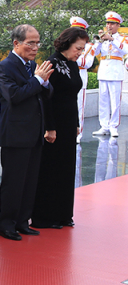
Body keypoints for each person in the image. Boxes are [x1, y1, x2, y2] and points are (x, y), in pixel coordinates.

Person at [0, 24, 53, 241]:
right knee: (13, 182)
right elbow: (15, 96)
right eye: (31, 43)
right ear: (16, 43)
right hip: (15, 134)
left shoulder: (33, 66)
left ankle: (22, 221)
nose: (35, 47)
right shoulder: (5, 67)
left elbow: (46, 94)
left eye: (38, 43)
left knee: (30, 181)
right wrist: (38, 80)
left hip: (34, 133)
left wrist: (44, 82)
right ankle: (6, 224)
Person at [31, 27, 86, 229]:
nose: (80, 52)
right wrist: (49, 127)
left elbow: (72, 96)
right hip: (54, 123)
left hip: (69, 122)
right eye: (78, 48)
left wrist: (77, 122)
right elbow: (45, 98)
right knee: (51, 169)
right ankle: (46, 216)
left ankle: (63, 214)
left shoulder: (72, 65)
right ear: (67, 44)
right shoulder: (51, 63)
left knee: (66, 167)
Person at [91, 11, 125, 137]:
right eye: (108, 23)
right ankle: (104, 126)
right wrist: (99, 42)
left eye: (112, 24)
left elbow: (125, 50)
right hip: (103, 72)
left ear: (118, 25)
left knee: (115, 101)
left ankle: (114, 126)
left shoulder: (122, 38)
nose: (109, 26)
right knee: (103, 100)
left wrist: (112, 40)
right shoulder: (103, 38)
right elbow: (94, 54)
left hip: (115, 73)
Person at [71, 17, 94, 143]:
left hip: (80, 77)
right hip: (68, 78)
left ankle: (78, 134)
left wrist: (74, 57)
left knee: (79, 107)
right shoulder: (67, 44)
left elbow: (87, 63)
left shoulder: (88, 46)